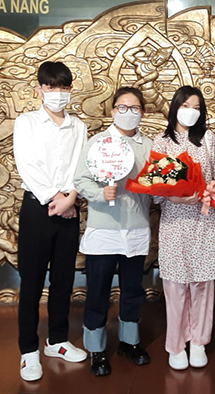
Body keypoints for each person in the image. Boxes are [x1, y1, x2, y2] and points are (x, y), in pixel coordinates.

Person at [13, 61, 88, 382]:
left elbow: (80, 165)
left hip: (68, 209)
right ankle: (28, 350)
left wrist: (70, 198)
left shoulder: (79, 126)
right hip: (36, 209)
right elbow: (26, 164)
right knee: (31, 283)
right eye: (50, 86)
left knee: (63, 279)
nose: (57, 93)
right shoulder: (27, 122)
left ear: (70, 89)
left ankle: (57, 340)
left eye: (62, 86)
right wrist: (54, 199)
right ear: (39, 87)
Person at [73, 87, 153, 377]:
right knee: (98, 292)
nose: (128, 113)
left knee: (132, 290)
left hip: (136, 229)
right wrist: (98, 192)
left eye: (134, 108)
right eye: (122, 107)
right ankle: (96, 347)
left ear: (142, 112)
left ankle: (129, 342)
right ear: (112, 110)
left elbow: (158, 186)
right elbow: (80, 179)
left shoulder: (149, 146)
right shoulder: (98, 142)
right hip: (103, 229)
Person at [152, 86, 215, 370]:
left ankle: (198, 342)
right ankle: (176, 344)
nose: (190, 110)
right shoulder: (162, 141)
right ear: (175, 108)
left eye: (196, 106)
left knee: (203, 285)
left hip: (203, 221)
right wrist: (173, 195)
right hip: (173, 222)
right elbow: (155, 190)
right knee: (175, 285)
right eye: (185, 105)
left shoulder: (207, 138)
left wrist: (213, 189)